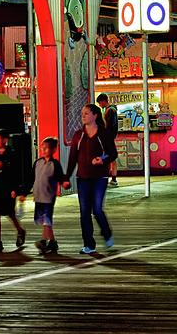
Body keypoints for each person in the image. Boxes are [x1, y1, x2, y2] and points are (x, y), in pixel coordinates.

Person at [64, 103, 117, 254]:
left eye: (86, 113)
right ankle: (89, 244)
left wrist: (103, 160)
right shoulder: (78, 135)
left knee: (97, 209)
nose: (83, 116)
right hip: (83, 178)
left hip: (100, 177)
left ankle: (106, 233)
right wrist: (66, 177)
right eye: (82, 113)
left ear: (95, 115)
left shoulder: (103, 134)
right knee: (84, 211)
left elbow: (113, 153)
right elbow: (73, 158)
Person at [0, 129, 27, 252]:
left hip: (9, 188)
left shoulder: (13, 154)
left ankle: (20, 230)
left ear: (5, 140)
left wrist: (17, 190)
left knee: (10, 213)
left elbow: (17, 173)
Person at [31, 137, 64, 254]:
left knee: (46, 220)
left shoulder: (55, 164)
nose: (43, 150)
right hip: (38, 196)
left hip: (48, 197)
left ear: (53, 149)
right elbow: (31, 178)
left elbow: (61, 176)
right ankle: (52, 242)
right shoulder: (37, 163)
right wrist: (23, 192)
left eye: (46, 148)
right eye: (42, 147)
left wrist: (64, 182)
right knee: (43, 220)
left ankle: (44, 241)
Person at [96, 93, 120, 187]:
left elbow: (109, 125)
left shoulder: (110, 110)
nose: (99, 105)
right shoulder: (111, 110)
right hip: (110, 137)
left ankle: (112, 179)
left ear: (103, 101)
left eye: (99, 103)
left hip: (108, 138)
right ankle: (112, 179)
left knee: (109, 158)